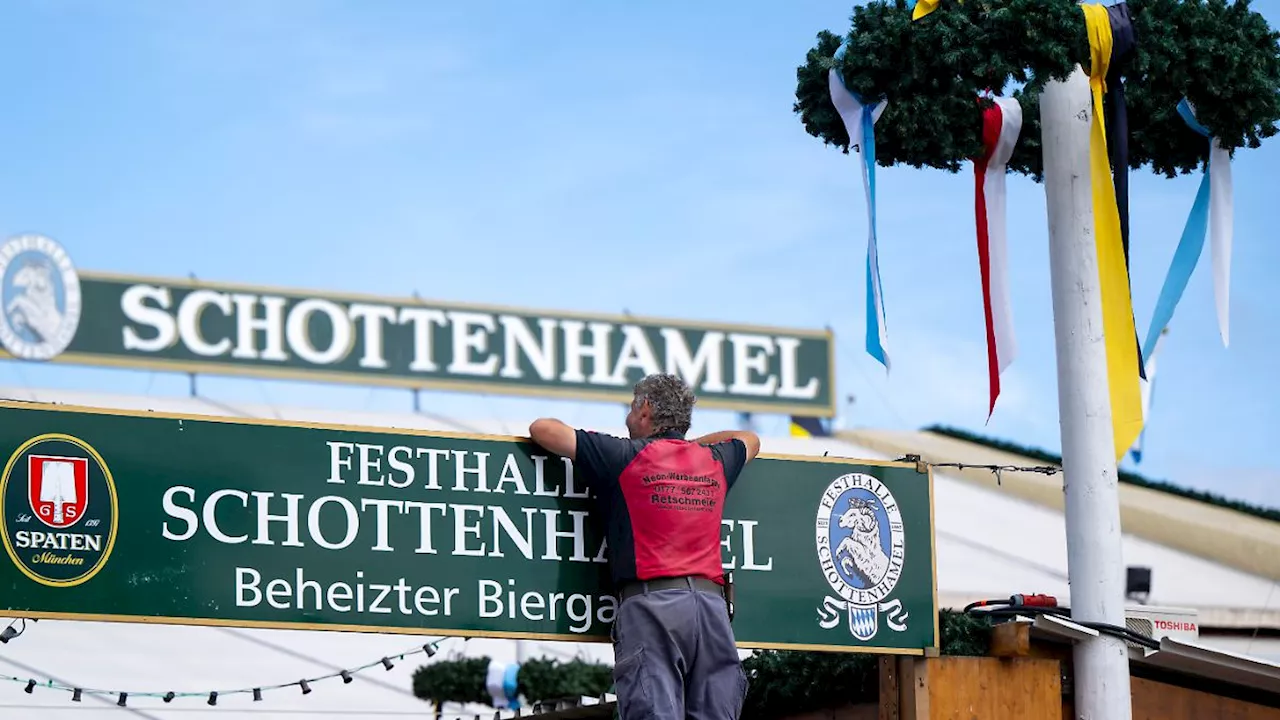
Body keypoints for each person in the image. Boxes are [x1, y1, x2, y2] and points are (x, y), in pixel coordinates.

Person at [527, 372, 761, 720]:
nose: (627, 418)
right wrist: (691, 446)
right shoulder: (714, 460)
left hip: (653, 608)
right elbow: (750, 439)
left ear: (645, 410)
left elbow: (542, 429)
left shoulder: (622, 455)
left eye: (631, 408)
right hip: (712, 610)